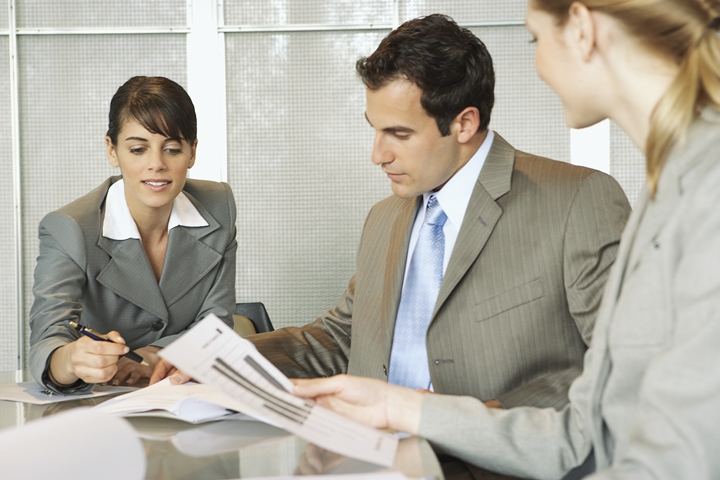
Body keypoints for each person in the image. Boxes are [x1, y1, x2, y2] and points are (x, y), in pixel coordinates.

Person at [292, 2, 720, 479]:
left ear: (581, 27)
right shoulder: (673, 184)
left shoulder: (677, 191)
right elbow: (588, 428)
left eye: (535, 39)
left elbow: (664, 441)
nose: (378, 154)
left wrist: (431, 421)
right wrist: (404, 413)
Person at [154, 15, 630, 411]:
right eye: (374, 130)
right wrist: (225, 358)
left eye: (399, 134)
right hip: (363, 456)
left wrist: (473, 419)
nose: (377, 155)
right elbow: (340, 339)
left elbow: (622, 367)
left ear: (465, 123)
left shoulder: (577, 201)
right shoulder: (385, 217)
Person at [29, 76, 237, 394]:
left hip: (185, 395)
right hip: (100, 405)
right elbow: (49, 333)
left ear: (192, 153)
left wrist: (150, 357)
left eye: (172, 149)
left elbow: (217, 322)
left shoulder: (218, 206)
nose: (156, 164)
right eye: (138, 149)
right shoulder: (69, 227)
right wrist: (70, 360)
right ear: (112, 150)